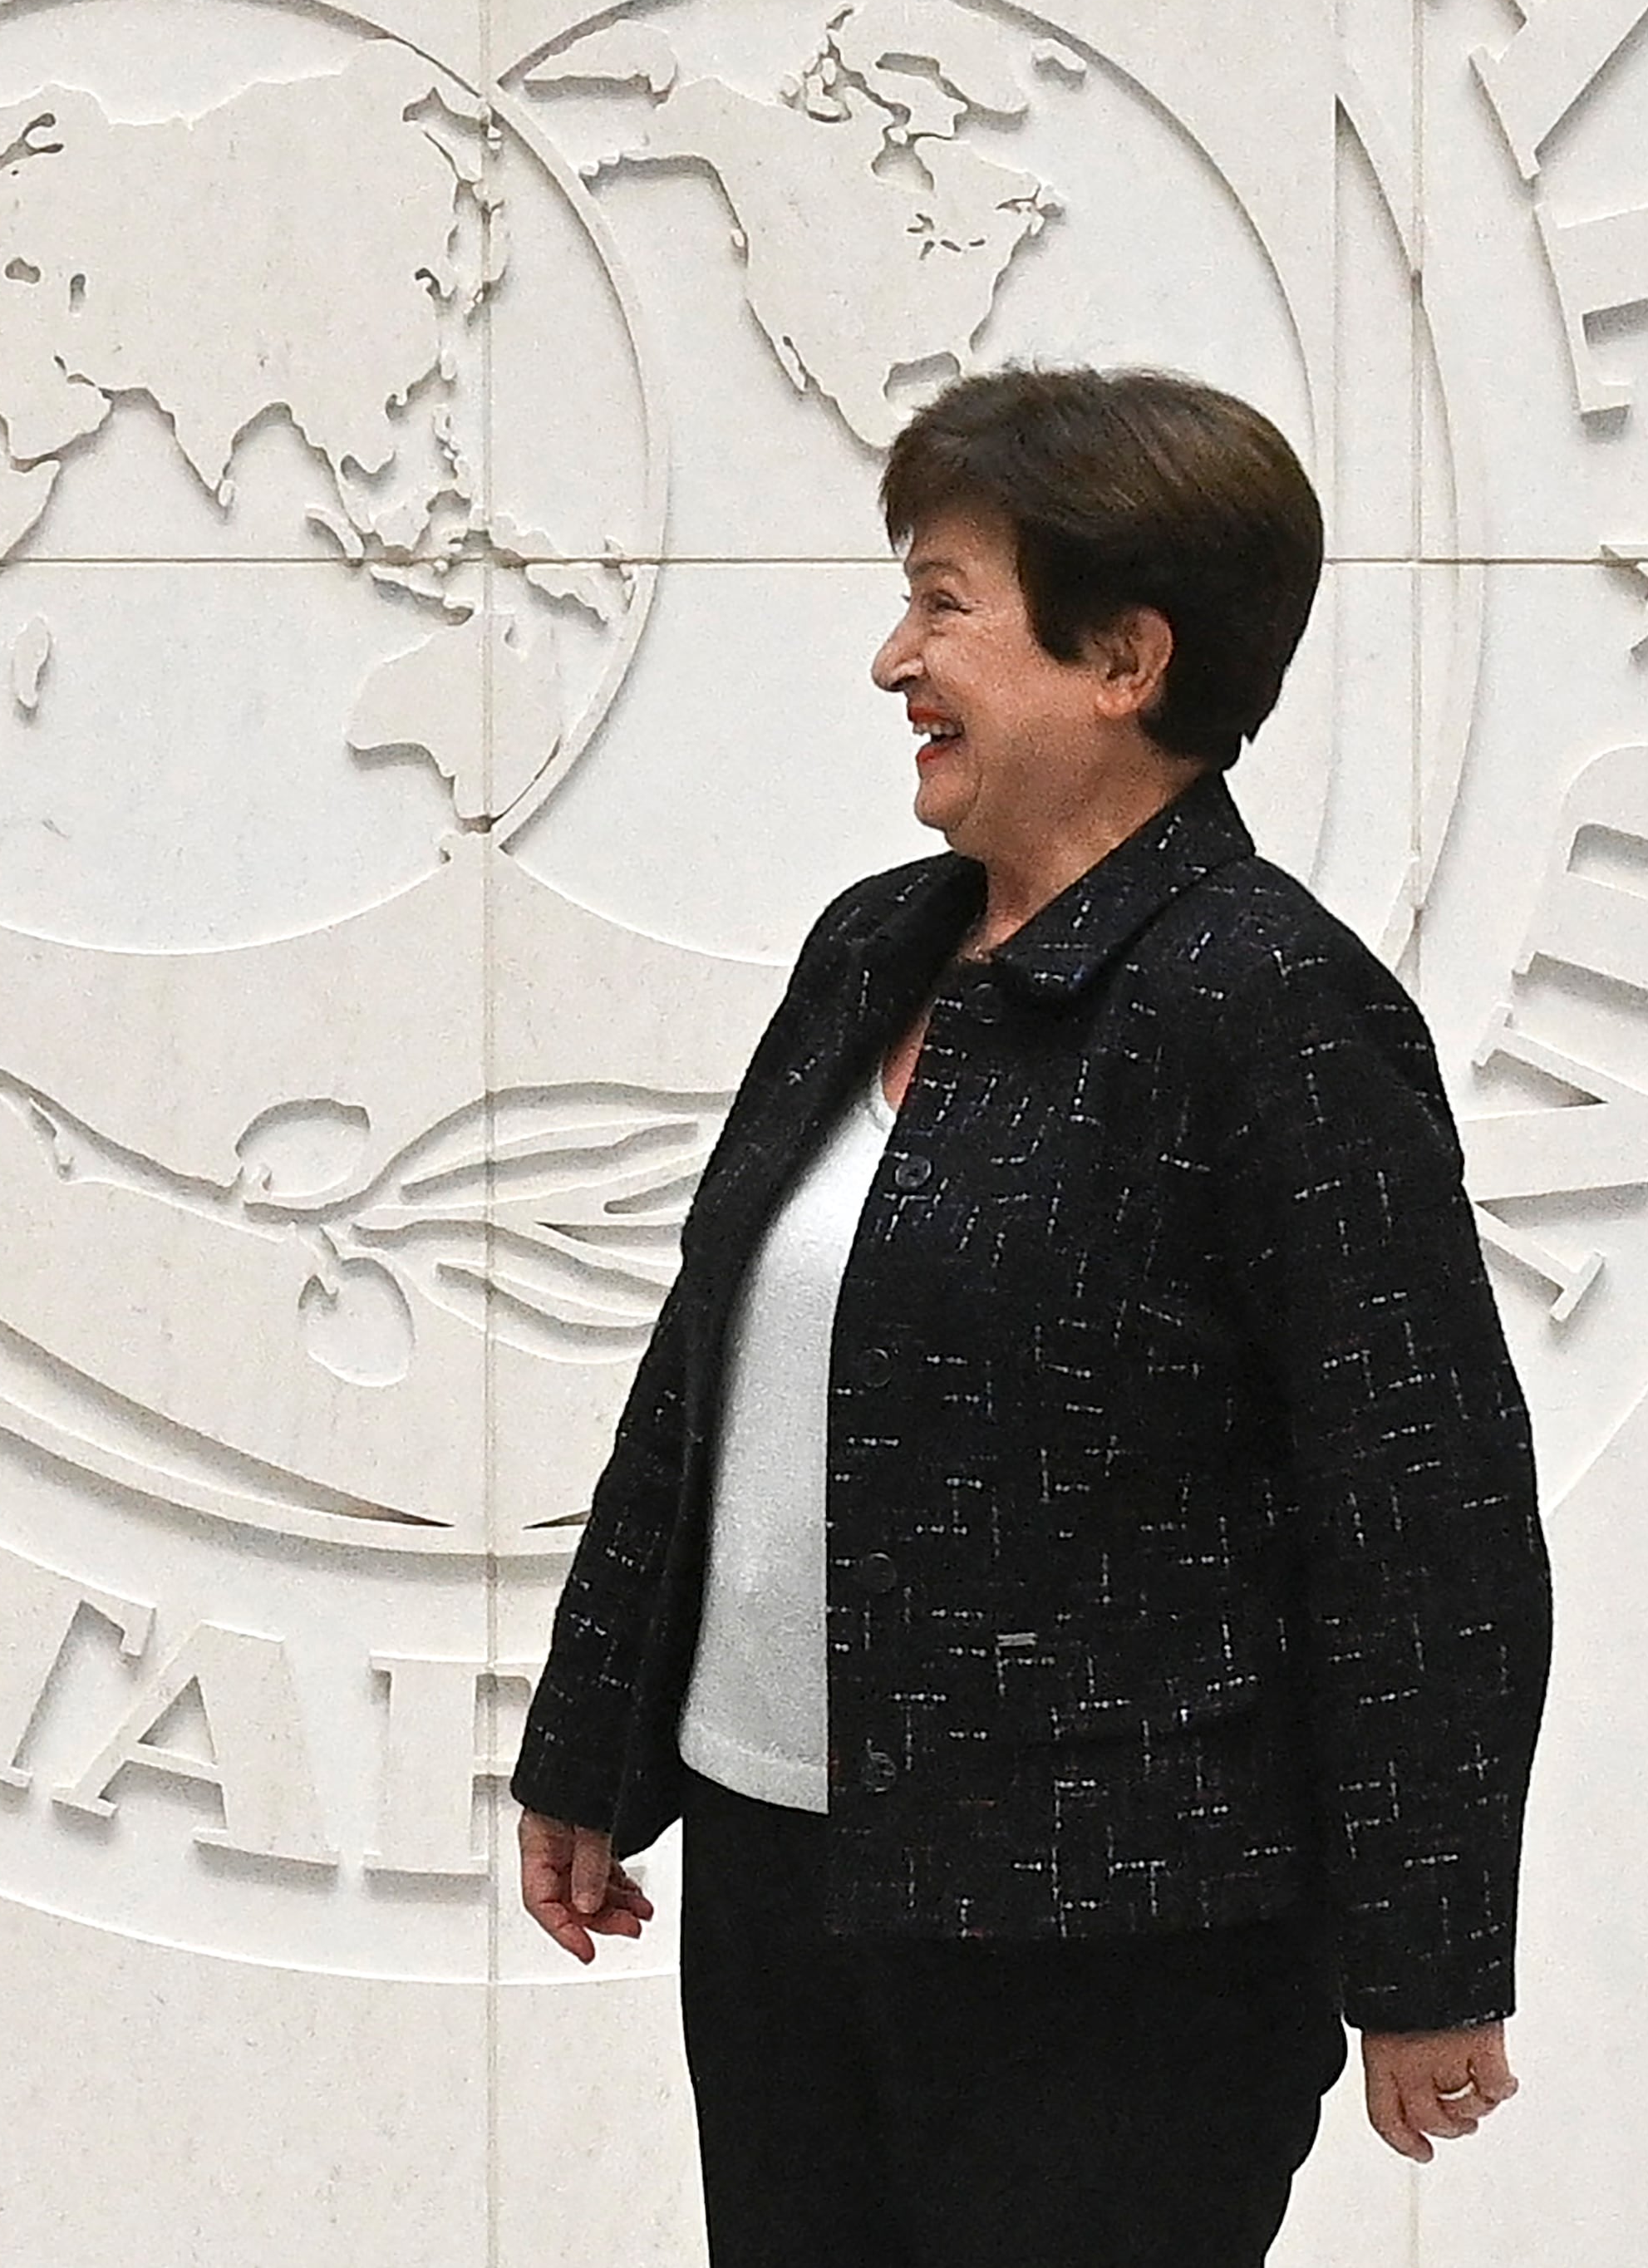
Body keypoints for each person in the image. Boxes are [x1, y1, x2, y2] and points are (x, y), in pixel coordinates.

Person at [509, 367, 1551, 2266]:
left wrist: (1428, 1954)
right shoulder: (871, 949)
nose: (892, 659)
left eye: (944, 602)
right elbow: (705, 1365)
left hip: (1120, 1948)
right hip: (780, 1881)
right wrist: (589, 1742)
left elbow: (1422, 1513)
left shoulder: (1273, 1010)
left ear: (1125, 660)